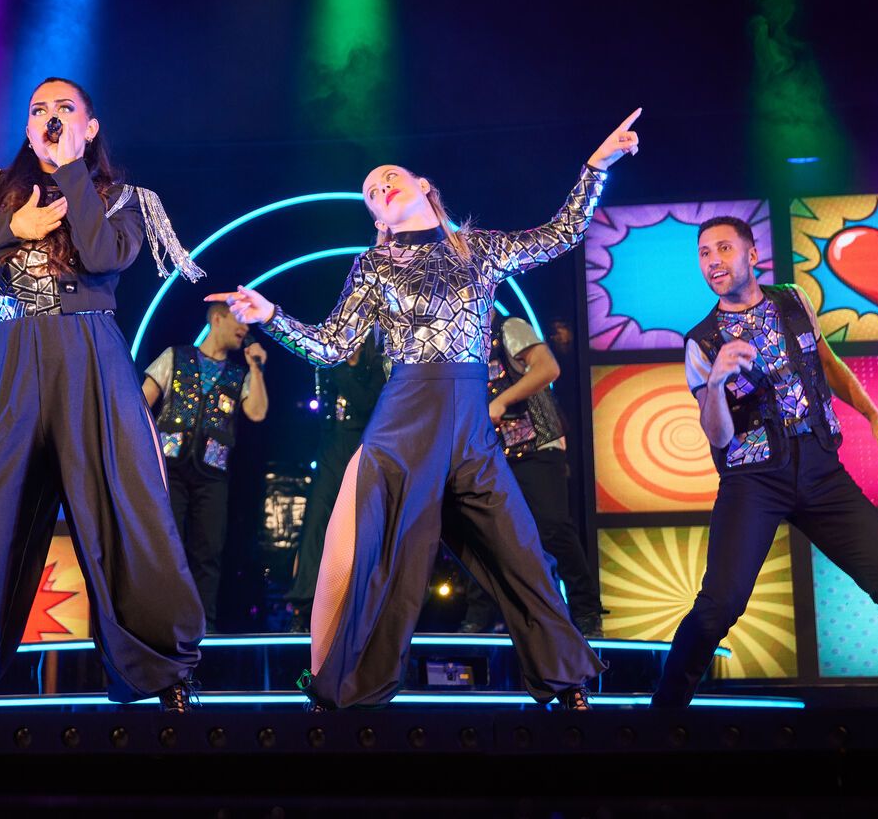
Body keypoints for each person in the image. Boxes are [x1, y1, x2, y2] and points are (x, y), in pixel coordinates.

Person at [209, 110, 642, 711]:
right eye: (369, 192)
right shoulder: (373, 266)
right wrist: (272, 316)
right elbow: (332, 345)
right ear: (377, 217)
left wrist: (595, 169)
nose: (379, 188)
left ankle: (563, 681)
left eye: (389, 177)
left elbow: (562, 235)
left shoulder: (480, 250)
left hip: (469, 422)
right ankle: (356, 693)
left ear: (424, 188)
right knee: (393, 565)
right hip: (406, 419)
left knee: (522, 552)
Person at [0, 77, 206, 712]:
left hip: (92, 355)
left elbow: (104, 255)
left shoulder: (127, 198)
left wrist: (72, 177)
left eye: (65, 109)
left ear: (90, 128)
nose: (50, 117)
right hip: (15, 357)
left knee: (124, 507)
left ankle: (160, 671)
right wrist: (13, 225)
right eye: (39, 110)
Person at [652, 216, 878, 707]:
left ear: (751, 255)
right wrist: (716, 384)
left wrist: (874, 416)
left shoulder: (794, 300)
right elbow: (717, 436)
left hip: (820, 471)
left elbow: (827, 363)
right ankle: (659, 722)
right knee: (718, 608)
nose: (712, 262)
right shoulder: (702, 341)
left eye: (723, 249)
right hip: (753, 481)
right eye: (704, 254)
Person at [457, 314, 605, 637]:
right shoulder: (455, 343)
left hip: (535, 444)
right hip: (490, 451)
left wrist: (501, 401)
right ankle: (478, 618)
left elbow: (548, 368)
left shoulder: (507, 328)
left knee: (552, 528)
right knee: (481, 530)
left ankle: (586, 612)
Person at [142, 301, 270, 628]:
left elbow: (257, 412)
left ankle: (203, 625)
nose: (245, 329)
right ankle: (160, 619)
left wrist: (256, 368)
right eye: (238, 320)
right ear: (217, 318)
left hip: (213, 474)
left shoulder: (238, 373)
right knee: (166, 545)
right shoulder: (176, 357)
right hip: (169, 468)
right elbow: (141, 402)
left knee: (208, 550)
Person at [285, 332, 385, 629]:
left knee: (359, 526)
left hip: (362, 447)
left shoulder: (377, 365)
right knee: (316, 520)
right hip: (331, 447)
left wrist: (343, 364)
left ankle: (362, 604)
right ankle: (305, 603)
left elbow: (366, 402)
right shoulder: (327, 368)